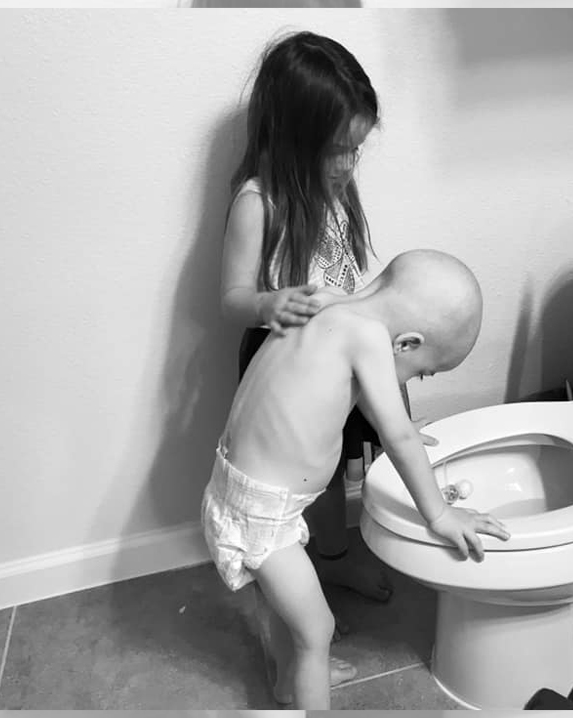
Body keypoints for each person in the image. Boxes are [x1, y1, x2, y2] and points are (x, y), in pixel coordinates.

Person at [203, 250, 512, 708]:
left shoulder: (326, 301)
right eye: (424, 372)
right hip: (264, 515)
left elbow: (356, 396)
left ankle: (288, 682)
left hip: (238, 491)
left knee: (282, 606)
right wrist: (441, 514)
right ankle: (305, 680)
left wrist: (399, 434)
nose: (416, 378)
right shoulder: (368, 337)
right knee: (317, 630)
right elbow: (397, 433)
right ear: (405, 344)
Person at [218, 30, 398, 683]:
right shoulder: (257, 202)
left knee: (330, 476)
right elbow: (232, 294)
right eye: (337, 150)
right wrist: (265, 304)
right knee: (287, 489)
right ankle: (287, 633)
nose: (350, 162)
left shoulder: (335, 188)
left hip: (338, 364)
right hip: (284, 367)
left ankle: (333, 554)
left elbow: (347, 274)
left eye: (357, 147)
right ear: (292, 138)